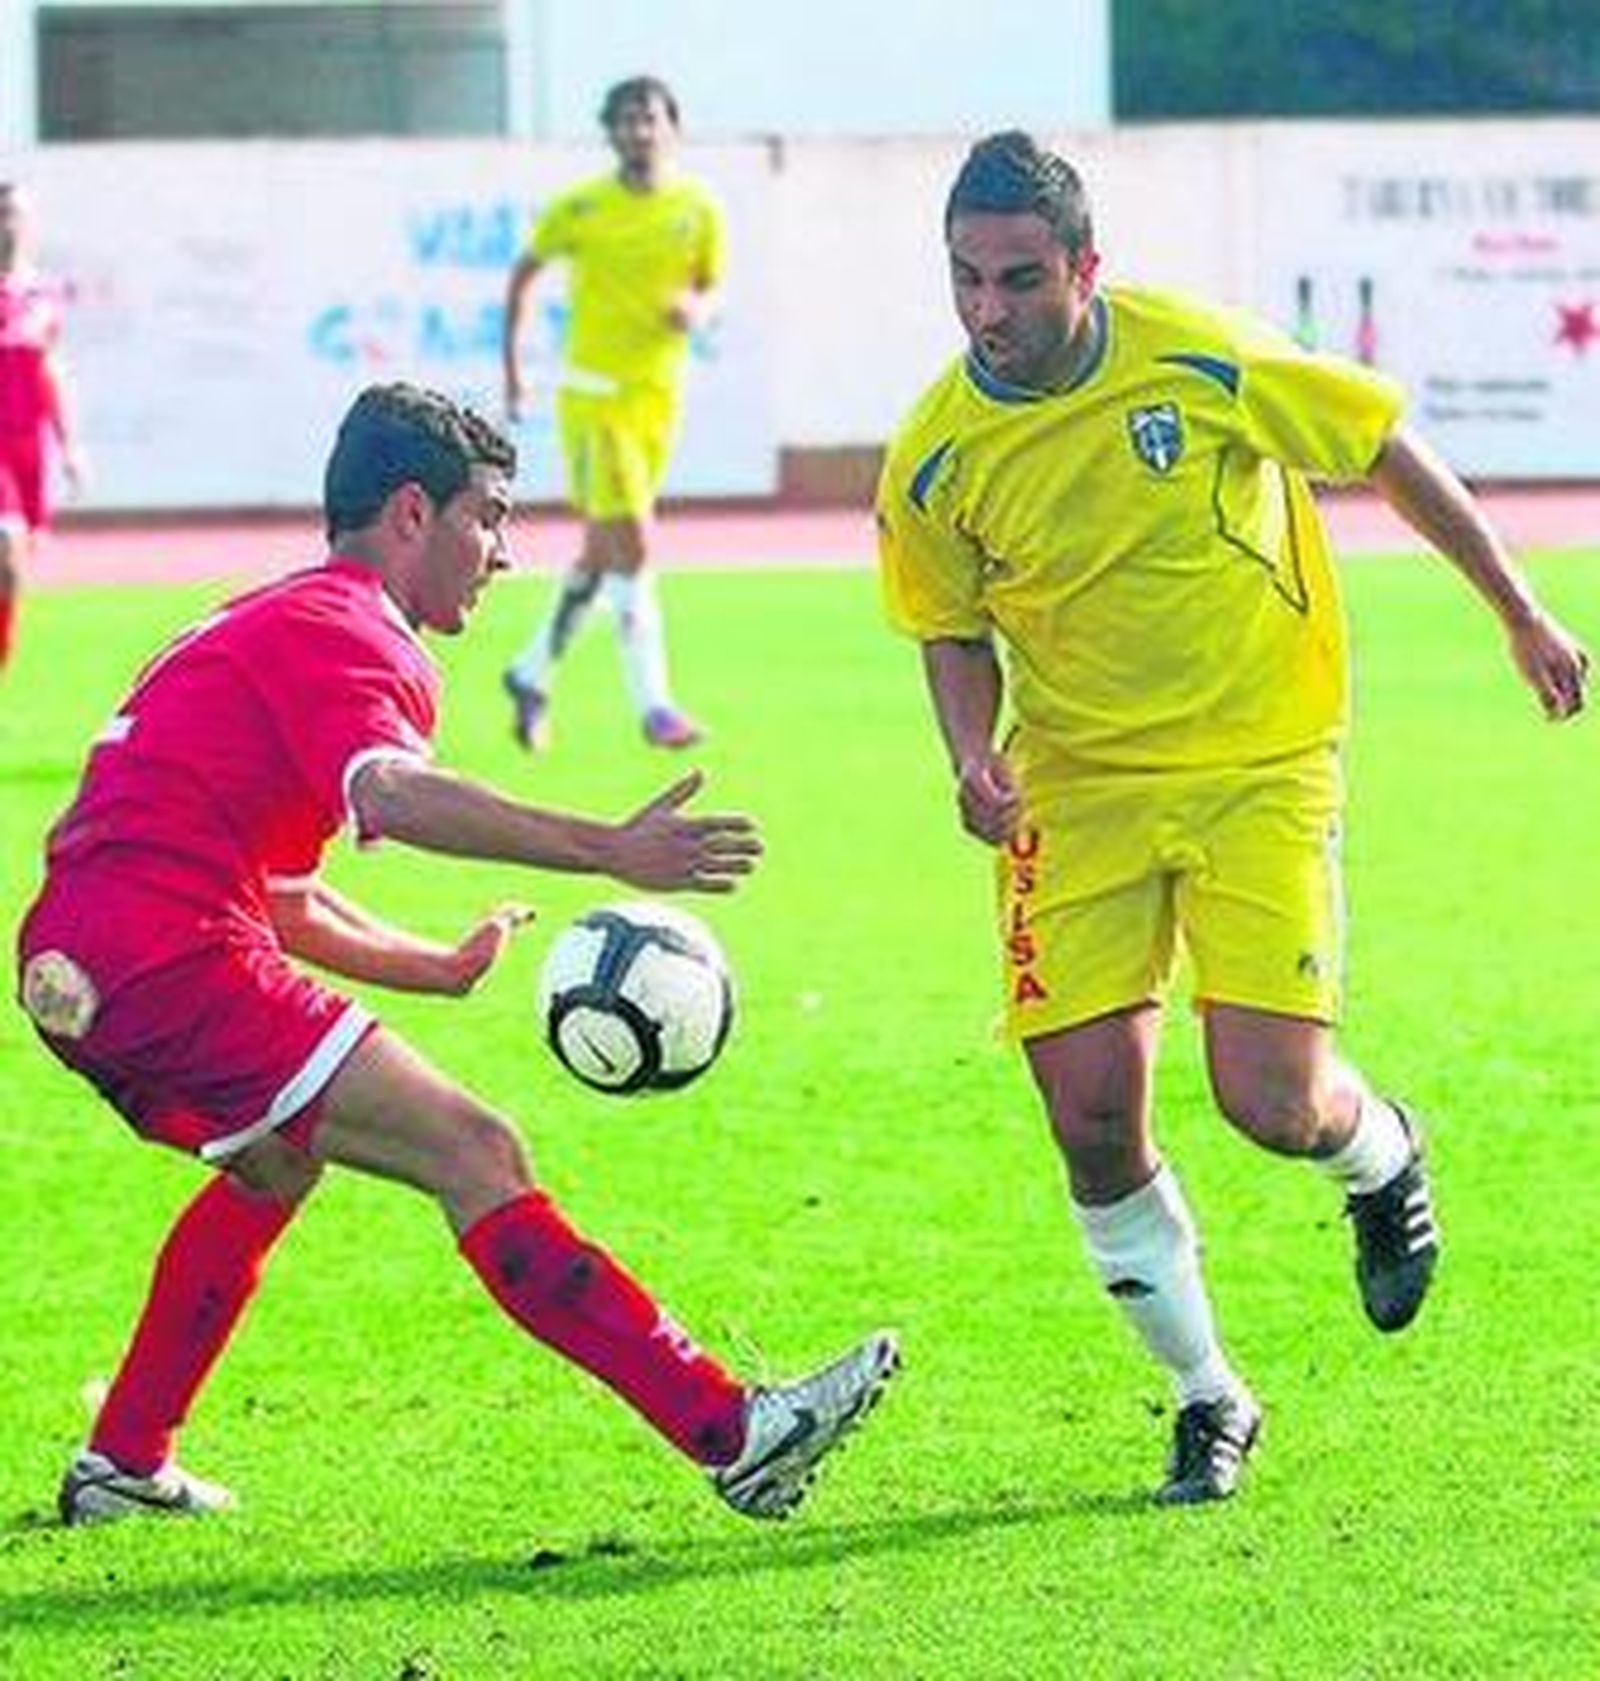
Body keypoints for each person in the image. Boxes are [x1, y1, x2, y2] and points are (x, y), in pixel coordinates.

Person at [16, 382, 898, 1527]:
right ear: (410, 513)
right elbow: (394, 792)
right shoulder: (354, 632)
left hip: (86, 952)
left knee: (273, 1162)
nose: (504, 554)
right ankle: (734, 1431)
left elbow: (280, 898)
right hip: (162, 952)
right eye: (489, 515)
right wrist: (607, 849)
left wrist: (433, 965)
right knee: (475, 1148)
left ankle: (124, 1458)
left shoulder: (271, 618)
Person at [876, 133, 1589, 1506]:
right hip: (1075, 789)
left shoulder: (1200, 359)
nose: (990, 311)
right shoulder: (932, 457)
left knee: (1273, 1100)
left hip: (1264, 760)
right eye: (967, 280)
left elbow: (1381, 444)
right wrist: (972, 755)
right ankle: (1208, 1394)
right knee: (1088, 1114)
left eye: (1021, 278)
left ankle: (1383, 1155)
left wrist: (1520, 611)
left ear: (1086, 267)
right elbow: (947, 627)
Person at [500, 75, 723, 753]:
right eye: (626, 120)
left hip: (658, 399)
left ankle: (530, 671)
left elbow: (710, 286)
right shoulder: (582, 207)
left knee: (602, 554)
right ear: (610, 131)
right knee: (636, 542)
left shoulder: (696, 208)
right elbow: (525, 274)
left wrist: (697, 310)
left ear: (672, 126)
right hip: (595, 398)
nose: (639, 131)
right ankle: (655, 704)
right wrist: (515, 367)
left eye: (650, 118)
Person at [0, 180, 84, 675]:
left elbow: (51, 370)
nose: (10, 224)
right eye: (2, 213)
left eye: (17, 214)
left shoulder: (41, 296)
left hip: (29, 447)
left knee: (12, 569)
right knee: (5, 547)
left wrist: (70, 446)